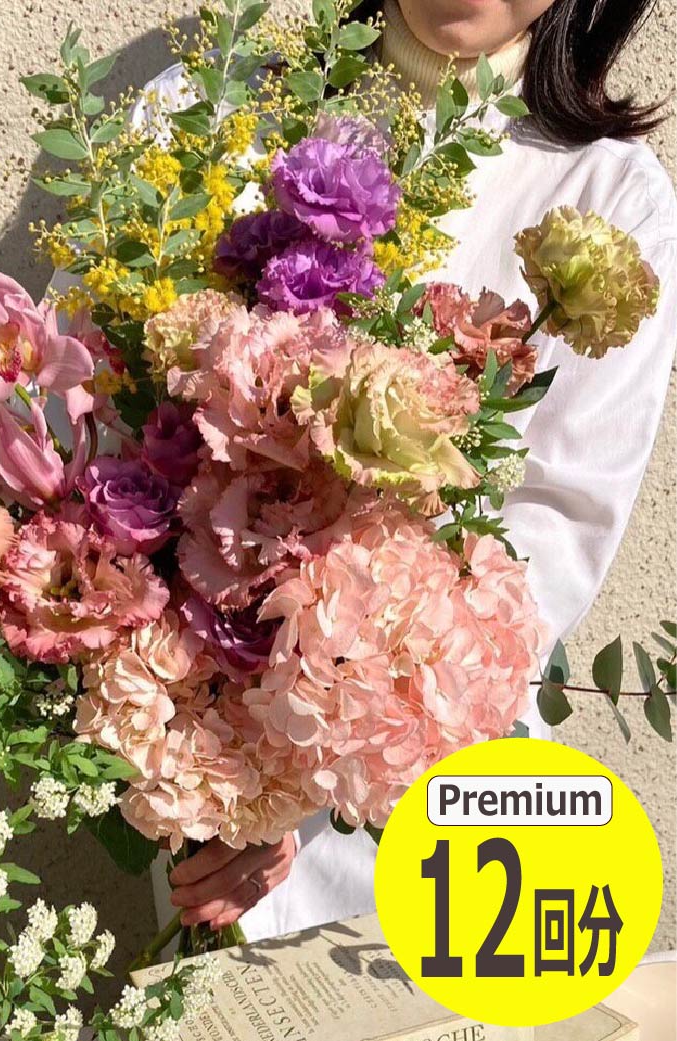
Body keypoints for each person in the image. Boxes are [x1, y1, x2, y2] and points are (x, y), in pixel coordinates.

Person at [141, 0, 677, 943]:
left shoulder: (608, 191)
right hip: (190, 737)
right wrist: (216, 762)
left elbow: (553, 526)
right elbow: (91, 426)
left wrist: (292, 770)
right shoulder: (211, 100)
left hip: (426, 773)